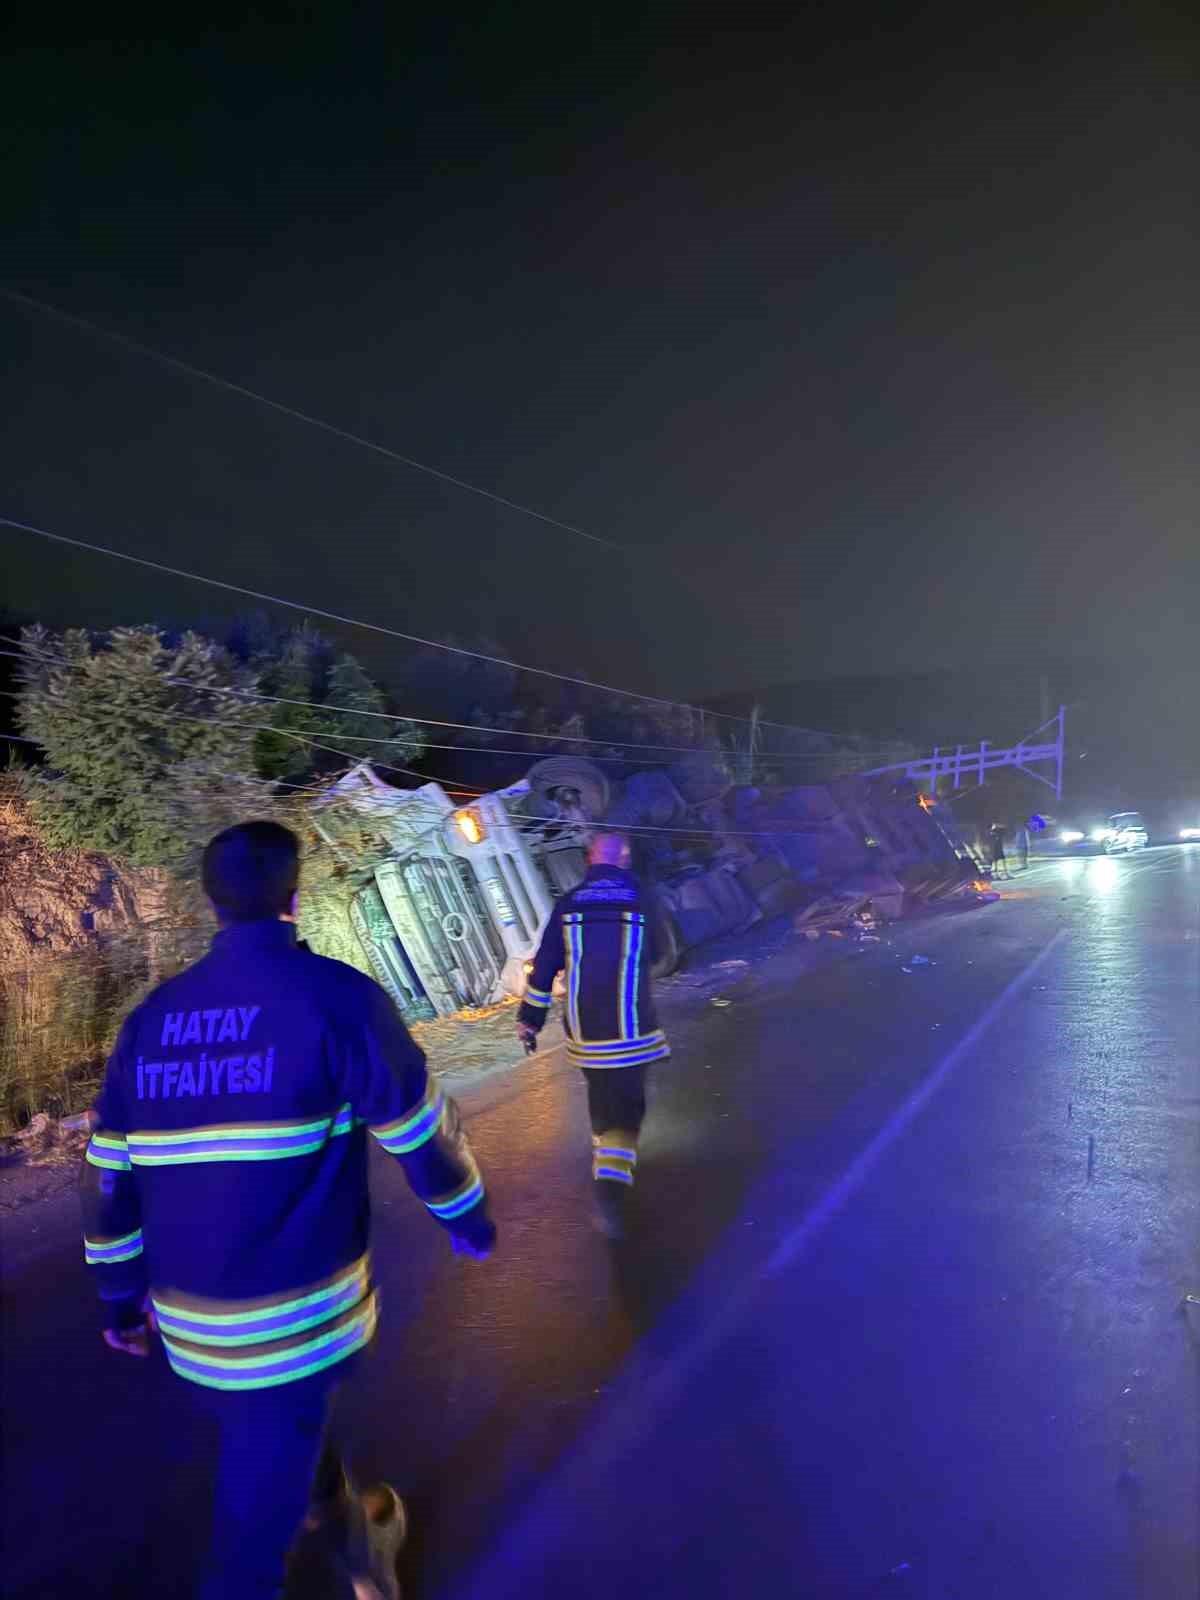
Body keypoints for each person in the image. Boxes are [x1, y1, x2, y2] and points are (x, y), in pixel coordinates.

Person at [80, 820, 496, 1600]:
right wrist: (467, 1219)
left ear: (211, 905)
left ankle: (355, 1541)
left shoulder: (149, 1024)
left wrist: (117, 1298)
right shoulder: (337, 999)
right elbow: (420, 1129)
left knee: (280, 1434)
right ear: (295, 899)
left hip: (192, 1332)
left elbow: (108, 1176)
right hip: (293, 1327)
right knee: (246, 1552)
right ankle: (354, 1555)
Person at [516, 830, 669, 1238]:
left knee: (602, 1100)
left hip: (585, 1031)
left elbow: (544, 965)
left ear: (589, 860)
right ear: (624, 860)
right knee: (628, 1112)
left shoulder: (568, 903)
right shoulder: (641, 898)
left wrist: (529, 1019)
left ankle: (608, 1155)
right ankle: (610, 1193)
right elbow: (659, 953)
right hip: (631, 1028)